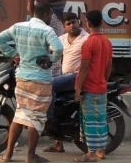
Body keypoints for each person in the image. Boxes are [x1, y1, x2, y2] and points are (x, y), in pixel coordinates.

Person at [0, 3, 64, 163]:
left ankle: (8, 155)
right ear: (46, 14)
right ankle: (31, 156)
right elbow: (59, 48)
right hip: (40, 80)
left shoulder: (18, 27)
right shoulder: (46, 30)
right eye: (50, 16)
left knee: (19, 115)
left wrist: (13, 54)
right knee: (36, 117)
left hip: (22, 78)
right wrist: (51, 60)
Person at [28, 0, 80, 77]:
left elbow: (29, 2)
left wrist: (33, 18)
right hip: (55, 18)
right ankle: (54, 78)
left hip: (38, 18)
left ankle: (38, 75)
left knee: (39, 48)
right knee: (55, 48)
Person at [44, 12, 89, 154]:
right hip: (65, 76)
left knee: (49, 84)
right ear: (64, 26)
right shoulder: (62, 39)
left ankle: (48, 119)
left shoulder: (86, 39)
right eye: (68, 24)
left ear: (79, 22)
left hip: (76, 77)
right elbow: (47, 50)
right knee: (59, 105)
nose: (71, 25)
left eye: (74, 22)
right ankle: (58, 144)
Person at [73, 10, 113, 162]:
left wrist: (78, 88)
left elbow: (84, 67)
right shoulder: (107, 42)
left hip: (90, 88)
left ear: (88, 23)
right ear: (101, 22)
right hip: (102, 88)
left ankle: (90, 154)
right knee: (101, 119)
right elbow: (109, 66)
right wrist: (103, 80)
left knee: (89, 121)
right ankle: (101, 151)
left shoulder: (89, 43)